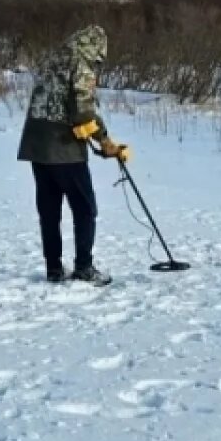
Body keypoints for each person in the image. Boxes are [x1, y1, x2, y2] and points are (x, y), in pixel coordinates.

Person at [17, 25, 129, 285]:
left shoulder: (54, 58)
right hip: (64, 147)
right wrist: (105, 141)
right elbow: (82, 111)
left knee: (49, 210)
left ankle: (54, 268)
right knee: (85, 208)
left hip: (36, 144)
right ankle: (84, 268)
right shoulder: (82, 65)